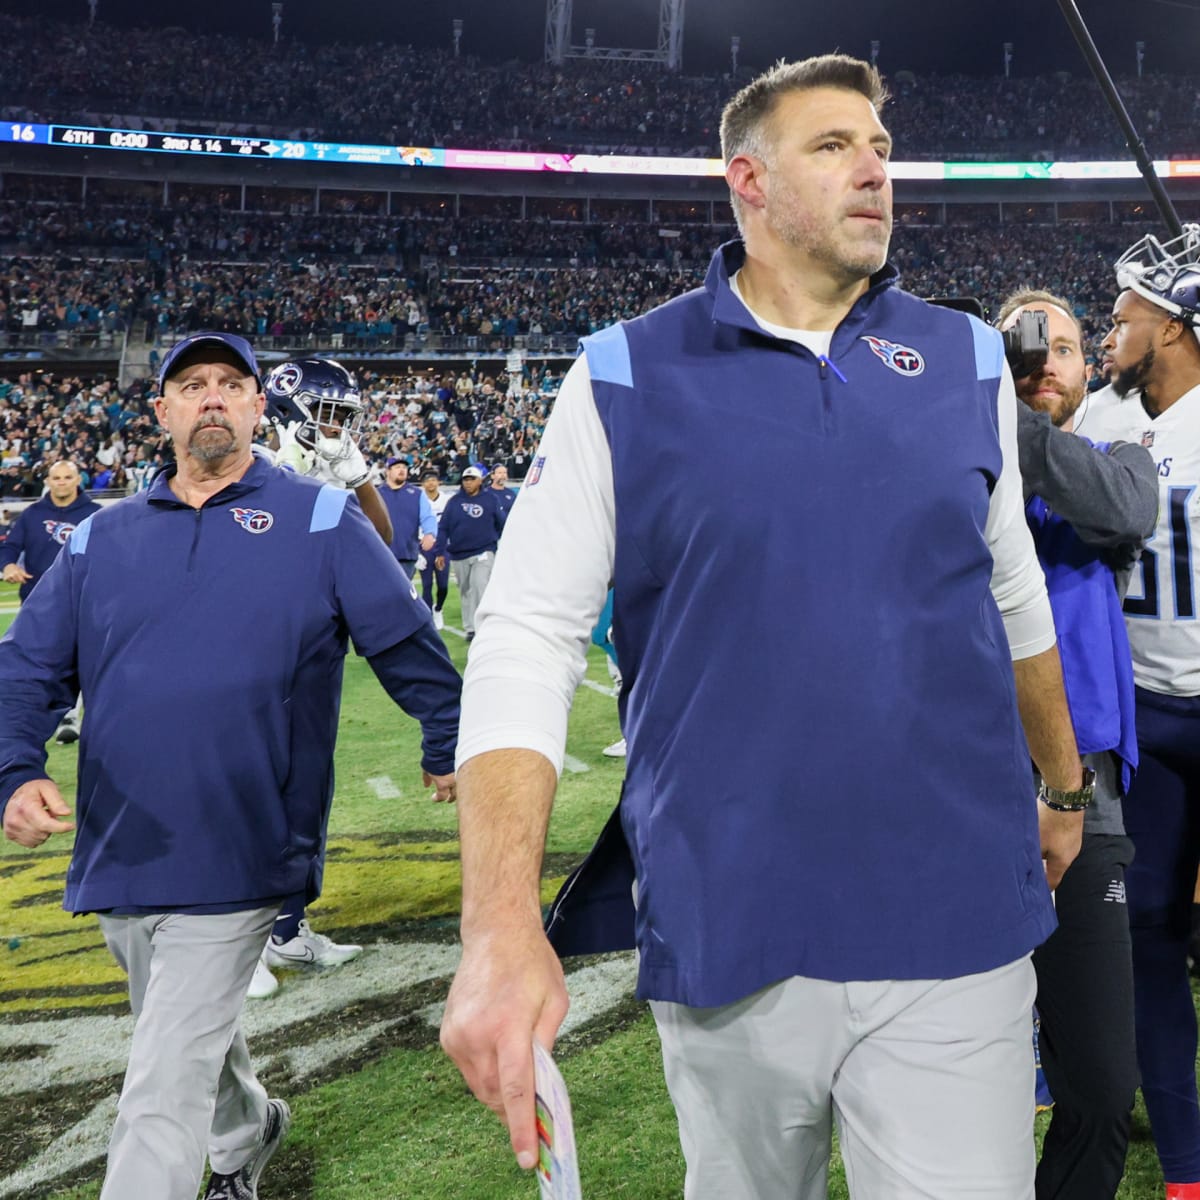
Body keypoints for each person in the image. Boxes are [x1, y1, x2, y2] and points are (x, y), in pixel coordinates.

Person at [441, 55, 1089, 1200]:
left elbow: (1011, 589)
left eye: (882, 149)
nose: (875, 171)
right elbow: (528, 637)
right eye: (835, 147)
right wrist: (498, 923)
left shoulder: (966, 358)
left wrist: (1063, 784)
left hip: (954, 912)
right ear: (748, 178)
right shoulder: (622, 374)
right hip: (729, 915)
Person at [0, 331, 462, 1200]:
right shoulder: (104, 537)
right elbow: (25, 667)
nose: (211, 396)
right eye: (191, 384)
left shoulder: (322, 519)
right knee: (175, 1030)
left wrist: (448, 735)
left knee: (161, 1085)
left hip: (248, 840)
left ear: (258, 407)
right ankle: (252, 1126)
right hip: (122, 843)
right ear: (162, 409)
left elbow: (404, 639)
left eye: (229, 383)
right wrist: (15, 767)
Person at [997, 289, 1156, 1200]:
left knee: (1100, 1087)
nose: (1042, 361)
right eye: (1021, 347)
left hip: (1084, 803)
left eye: (1059, 345)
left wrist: (997, 410)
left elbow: (1124, 512)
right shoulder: (949, 464)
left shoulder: (1115, 453)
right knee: (960, 1089)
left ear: (1086, 364)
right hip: (962, 795)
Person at [1085, 224, 1200, 1200]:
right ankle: (1188, 1173)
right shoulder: (1098, 423)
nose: (1107, 331)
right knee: (1148, 946)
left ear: (1171, 325)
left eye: (1123, 317)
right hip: (1145, 724)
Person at [0, 458, 101, 745]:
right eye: (56, 478)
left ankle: (71, 716)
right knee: (36, 661)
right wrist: (7, 566)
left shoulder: (95, 515)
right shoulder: (31, 514)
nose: (61, 483)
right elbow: (9, 547)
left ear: (77, 479)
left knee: (83, 657)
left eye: (67, 477)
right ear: (48, 481)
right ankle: (27, 719)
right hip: (36, 604)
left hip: (84, 601)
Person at [435, 464, 505, 641]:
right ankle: (470, 628)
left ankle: (483, 626)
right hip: (459, 553)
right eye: (465, 480)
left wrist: (494, 542)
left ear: (480, 480)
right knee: (465, 590)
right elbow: (443, 527)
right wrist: (440, 551)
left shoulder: (490, 499)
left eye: (471, 479)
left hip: (483, 551)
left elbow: (501, 522)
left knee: (479, 585)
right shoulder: (455, 502)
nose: (468, 483)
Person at [378, 456, 438, 579]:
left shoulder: (417, 494)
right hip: (381, 554)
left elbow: (428, 517)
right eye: (397, 467)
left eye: (404, 467)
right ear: (387, 471)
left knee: (403, 595)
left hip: (407, 554)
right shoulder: (377, 494)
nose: (402, 470)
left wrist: (430, 534)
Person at [417, 468, 450, 630]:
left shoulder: (447, 500)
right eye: (427, 480)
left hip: (443, 545)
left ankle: (438, 608)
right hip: (424, 545)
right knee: (427, 584)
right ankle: (428, 616)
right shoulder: (418, 500)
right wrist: (417, 552)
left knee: (443, 584)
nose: (431, 482)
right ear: (422, 484)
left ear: (439, 482)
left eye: (433, 479)